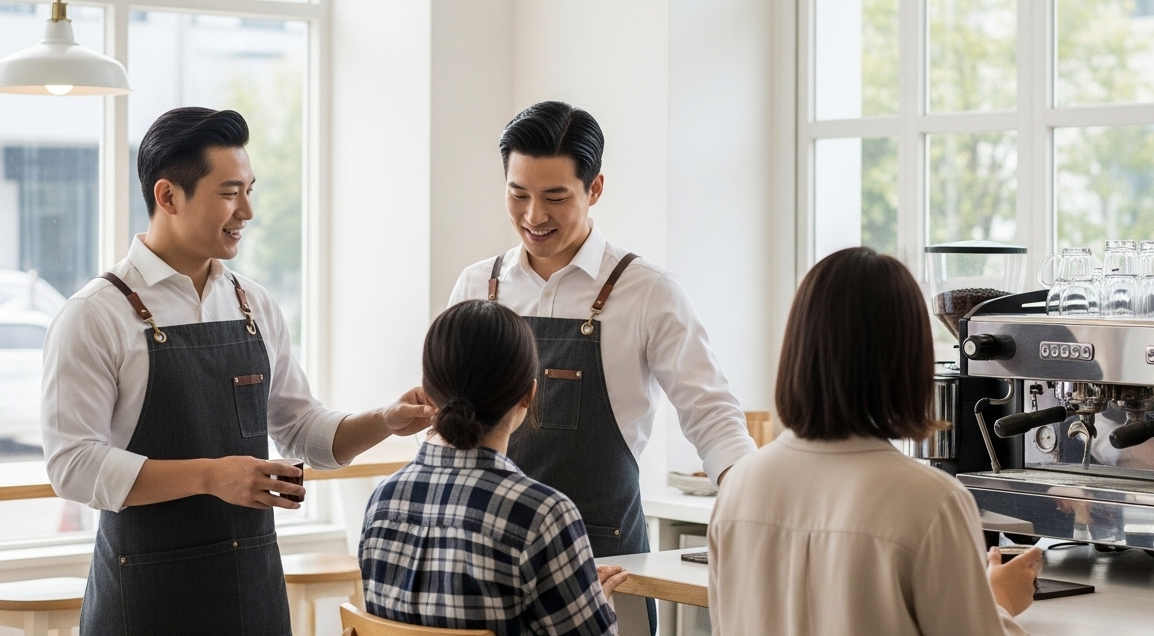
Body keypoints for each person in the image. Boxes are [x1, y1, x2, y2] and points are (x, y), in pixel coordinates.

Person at [42, 107, 434, 635]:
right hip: (146, 600)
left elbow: (302, 432)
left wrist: (385, 420)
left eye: (250, 190)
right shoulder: (96, 314)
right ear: (168, 197)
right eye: (230, 192)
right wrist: (211, 476)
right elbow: (72, 465)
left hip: (252, 592)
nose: (247, 210)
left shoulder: (255, 304)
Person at [448, 101, 755, 554]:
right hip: (483, 550)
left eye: (555, 198)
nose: (534, 216)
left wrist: (753, 506)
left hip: (604, 560)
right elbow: (441, 418)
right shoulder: (477, 285)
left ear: (595, 189)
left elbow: (712, 416)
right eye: (518, 195)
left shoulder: (648, 291)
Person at [707, 247, 1041, 636]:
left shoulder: (740, 486)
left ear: (798, 348)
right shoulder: (931, 500)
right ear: (910, 358)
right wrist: (998, 602)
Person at [360, 300, 629, 635]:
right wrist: (597, 606)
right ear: (530, 394)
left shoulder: (382, 501)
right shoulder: (544, 514)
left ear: (427, 394)